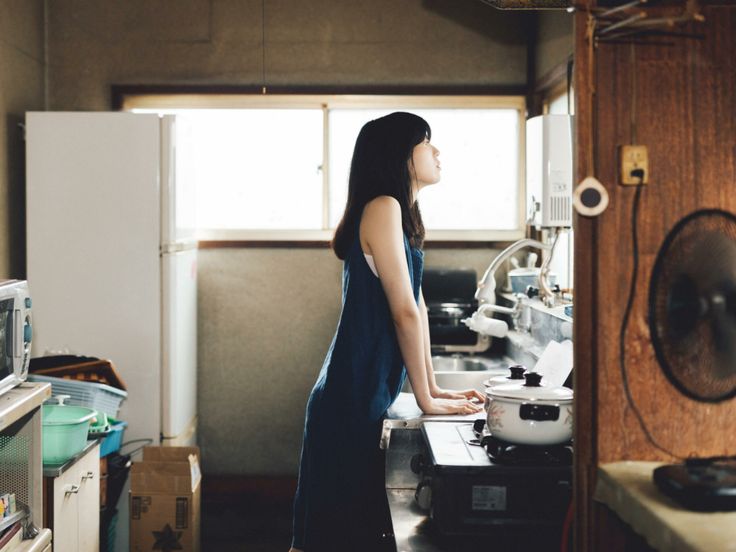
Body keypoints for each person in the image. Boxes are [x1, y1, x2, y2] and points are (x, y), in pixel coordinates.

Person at [289, 112, 484, 552]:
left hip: (362, 390)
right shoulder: (384, 206)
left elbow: (417, 308)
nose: (437, 152)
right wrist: (428, 399)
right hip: (349, 395)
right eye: (426, 142)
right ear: (401, 154)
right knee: (331, 534)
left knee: (344, 529)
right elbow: (405, 315)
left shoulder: (404, 213)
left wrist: (431, 390)